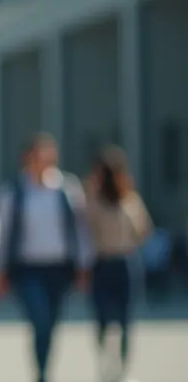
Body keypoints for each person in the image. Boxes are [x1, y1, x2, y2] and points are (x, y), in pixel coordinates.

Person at [0, 133, 94, 382]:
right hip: (27, 269)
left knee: (51, 323)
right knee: (40, 318)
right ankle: (42, 372)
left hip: (59, 268)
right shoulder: (13, 191)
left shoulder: (67, 188)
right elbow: (2, 233)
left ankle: (43, 367)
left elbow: (80, 230)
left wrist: (83, 267)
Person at [84, 146, 152, 382]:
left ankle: (121, 367)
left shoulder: (130, 200)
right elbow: (86, 228)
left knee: (126, 318)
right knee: (102, 316)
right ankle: (104, 355)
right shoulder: (93, 201)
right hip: (102, 264)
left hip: (125, 263)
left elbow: (143, 231)